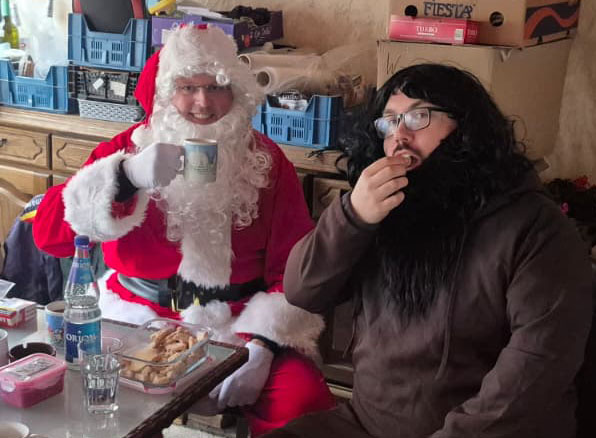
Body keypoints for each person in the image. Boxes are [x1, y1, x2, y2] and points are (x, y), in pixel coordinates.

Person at [32, 25, 335, 436]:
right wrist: (125, 178)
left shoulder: (266, 161)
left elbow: (299, 266)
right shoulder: (126, 150)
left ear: (237, 92)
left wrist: (263, 344)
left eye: (216, 87)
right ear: (163, 94)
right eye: (187, 87)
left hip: (240, 325)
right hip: (135, 321)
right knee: (96, 412)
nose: (203, 103)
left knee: (303, 404)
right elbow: (49, 236)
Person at [265, 63, 593, 438]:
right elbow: (303, 291)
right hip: (369, 424)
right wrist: (353, 216)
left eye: (418, 116)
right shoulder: (388, 208)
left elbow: (534, 374)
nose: (399, 136)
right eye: (389, 122)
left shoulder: (536, 228)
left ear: (466, 127)